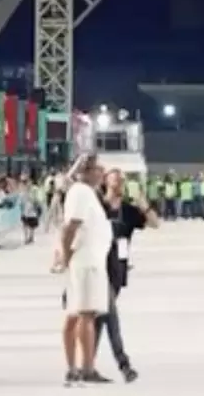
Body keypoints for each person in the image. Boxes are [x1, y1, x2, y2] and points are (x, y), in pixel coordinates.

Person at [96, 169, 159, 383]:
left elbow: (154, 223)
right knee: (109, 313)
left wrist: (143, 203)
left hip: (118, 269)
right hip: (97, 266)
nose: (119, 183)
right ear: (106, 182)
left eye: (122, 180)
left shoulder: (128, 210)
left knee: (101, 316)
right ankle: (124, 364)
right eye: (115, 179)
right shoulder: (97, 206)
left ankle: (85, 365)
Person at [56, 155, 111, 386]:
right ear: (86, 171)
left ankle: (74, 368)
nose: (102, 173)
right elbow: (70, 227)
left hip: (89, 260)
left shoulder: (85, 192)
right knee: (85, 314)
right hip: (86, 261)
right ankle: (86, 367)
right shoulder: (80, 192)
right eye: (98, 169)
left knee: (76, 314)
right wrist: (66, 256)